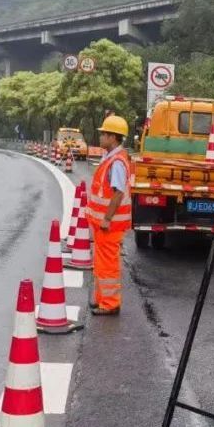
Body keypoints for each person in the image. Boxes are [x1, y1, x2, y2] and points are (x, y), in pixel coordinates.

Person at [84, 115, 134, 316]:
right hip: (103, 224)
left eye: (104, 134)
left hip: (109, 225)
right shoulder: (110, 158)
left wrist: (106, 218)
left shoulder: (117, 162)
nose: (101, 137)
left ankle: (110, 303)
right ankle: (102, 300)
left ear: (113, 137)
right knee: (101, 263)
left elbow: (118, 192)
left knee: (107, 265)